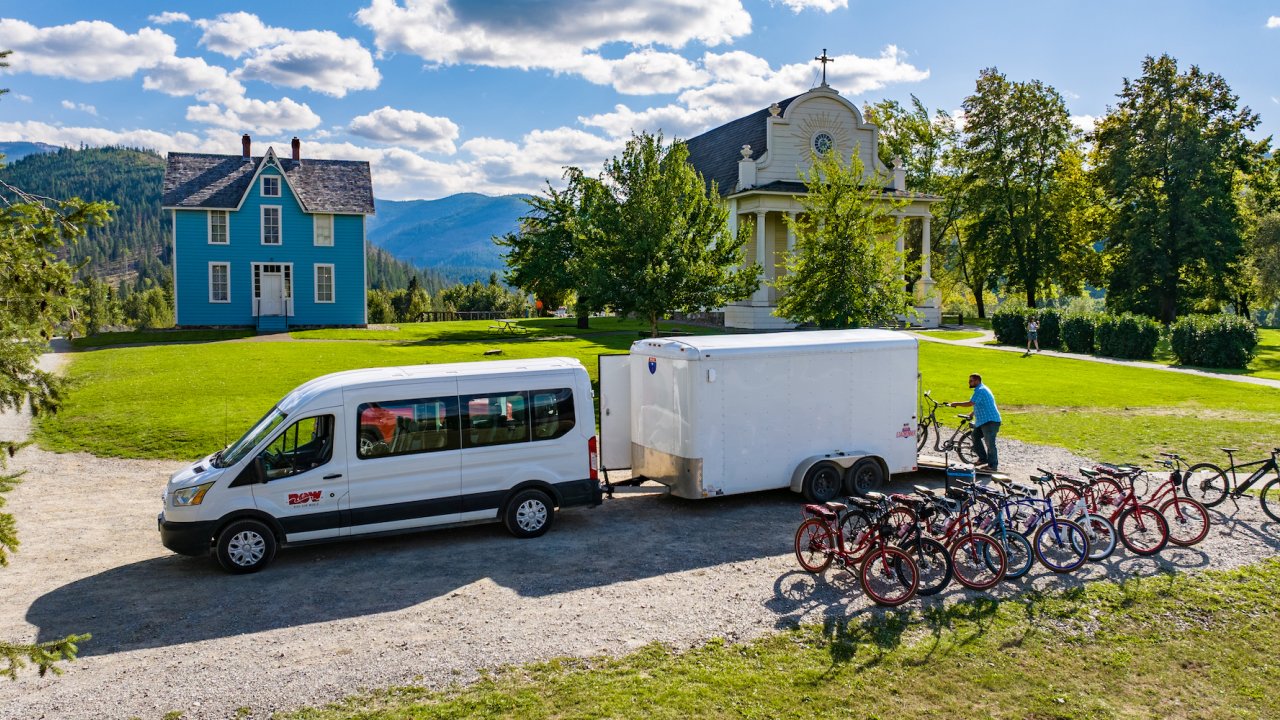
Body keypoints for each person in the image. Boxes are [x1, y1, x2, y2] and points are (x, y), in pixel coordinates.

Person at [947, 373, 1002, 472]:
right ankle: (983, 458)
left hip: (990, 421)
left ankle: (992, 466)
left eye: (971, 381)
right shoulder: (980, 389)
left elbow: (971, 403)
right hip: (983, 421)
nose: (969, 382)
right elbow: (979, 404)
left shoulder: (981, 390)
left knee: (990, 443)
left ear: (977, 381)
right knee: (975, 436)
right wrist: (972, 414)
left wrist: (956, 403)